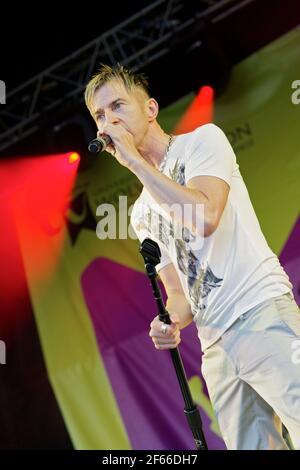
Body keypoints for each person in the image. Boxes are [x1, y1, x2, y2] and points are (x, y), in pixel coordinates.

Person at [84, 63, 300, 450]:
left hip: (259, 310)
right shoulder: (140, 214)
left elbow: (205, 217)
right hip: (216, 345)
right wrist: (169, 322)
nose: (108, 121)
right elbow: (181, 295)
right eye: (99, 115)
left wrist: (134, 161)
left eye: (117, 106)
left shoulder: (203, 142)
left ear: (150, 109)